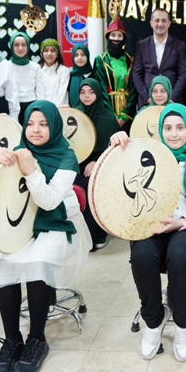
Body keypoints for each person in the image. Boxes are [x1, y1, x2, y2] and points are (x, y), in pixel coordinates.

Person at [0, 102, 90, 372]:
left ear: (55, 126)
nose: (35, 130)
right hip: (22, 224)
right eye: (31, 123)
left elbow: (50, 201)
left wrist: (31, 170)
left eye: (43, 124)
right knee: (7, 262)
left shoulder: (67, 158)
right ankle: (12, 341)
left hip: (57, 223)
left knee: (36, 263)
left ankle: (37, 340)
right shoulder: (18, 148)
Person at [110, 103, 186, 362]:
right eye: (167, 128)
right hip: (150, 224)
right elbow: (117, 174)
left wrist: (182, 222)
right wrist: (116, 143)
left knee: (179, 255)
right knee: (142, 256)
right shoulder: (147, 156)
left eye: (180, 127)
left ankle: (182, 324)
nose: (173, 134)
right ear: (160, 131)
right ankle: (153, 320)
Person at [71, 78, 120, 251]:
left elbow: (114, 149)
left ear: (98, 93)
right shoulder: (75, 115)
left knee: (88, 185)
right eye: (83, 92)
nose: (86, 96)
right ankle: (77, 239)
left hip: (101, 162)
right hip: (77, 162)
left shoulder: (106, 117)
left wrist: (96, 162)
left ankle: (97, 235)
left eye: (91, 92)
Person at [132, 9, 186, 109]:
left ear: (169, 24)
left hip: (172, 102)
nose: (160, 24)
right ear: (151, 23)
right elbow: (136, 74)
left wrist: (171, 98)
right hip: (148, 102)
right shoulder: (142, 45)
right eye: (157, 20)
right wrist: (147, 98)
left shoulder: (179, 46)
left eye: (164, 21)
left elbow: (183, 74)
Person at [95, 20, 136, 127]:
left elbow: (133, 90)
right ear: (108, 37)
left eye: (119, 35)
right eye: (113, 35)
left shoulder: (130, 60)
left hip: (128, 113)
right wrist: (111, 116)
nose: (116, 39)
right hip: (108, 112)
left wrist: (125, 116)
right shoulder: (100, 60)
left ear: (124, 38)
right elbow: (102, 89)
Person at [8, 32, 40, 121]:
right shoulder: (6, 66)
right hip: (12, 106)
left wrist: (40, 109)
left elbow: (40, 91)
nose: (20, 48)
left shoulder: (35, 67)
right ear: (12, 47)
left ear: (28, 46)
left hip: (33, 106)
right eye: (16, 45)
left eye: (23, 45)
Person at [35, 39, 69, 106]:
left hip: (59, 108)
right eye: (46, 51)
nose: (49, 53)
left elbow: (62, 93)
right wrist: (43, 108)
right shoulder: (38, 69)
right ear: (42, 54)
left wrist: (53, 110)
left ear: (57, 54)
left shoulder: (63, 70)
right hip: (41, 109)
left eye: (53, 51)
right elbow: (39, 92)